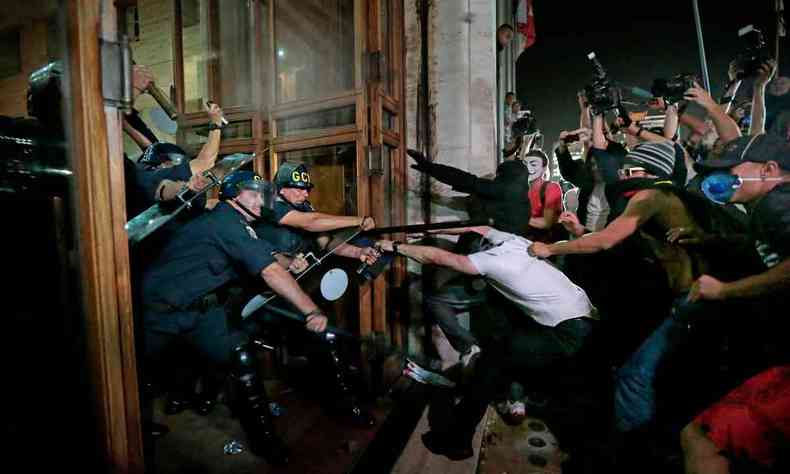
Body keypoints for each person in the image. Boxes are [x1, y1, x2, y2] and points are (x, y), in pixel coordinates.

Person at [140, 170, 331, 465]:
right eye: (252, 194)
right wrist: (311, 309)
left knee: (240, 354)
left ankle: (265, 441)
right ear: (232, 194)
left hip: (201, 309)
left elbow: (266, 253)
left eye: (261, 195)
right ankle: (134, 431)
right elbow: (269, 270)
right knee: (138, 373)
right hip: (160, 309)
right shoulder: (224, 222)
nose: (260, 201)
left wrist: (289, 260)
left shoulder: (238, 224)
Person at [376, 225, 599, 461]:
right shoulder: (514, 241)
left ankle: (457, 440)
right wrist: (429, 232)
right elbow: (479, 227)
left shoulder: (491, 262)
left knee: (488, 368)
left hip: (565, 332)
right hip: (585, 316)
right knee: (497, 359)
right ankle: (478, 420)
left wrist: (396, 246)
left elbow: (437, 256)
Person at [524, 149, 563, 242]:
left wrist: (518, 218)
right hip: (524, 238)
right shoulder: (520, 188)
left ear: (544, 168)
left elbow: (547, 222)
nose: (528, 168)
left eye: (533, 164)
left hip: (545, 242)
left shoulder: (551, 188)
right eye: (525, 164)